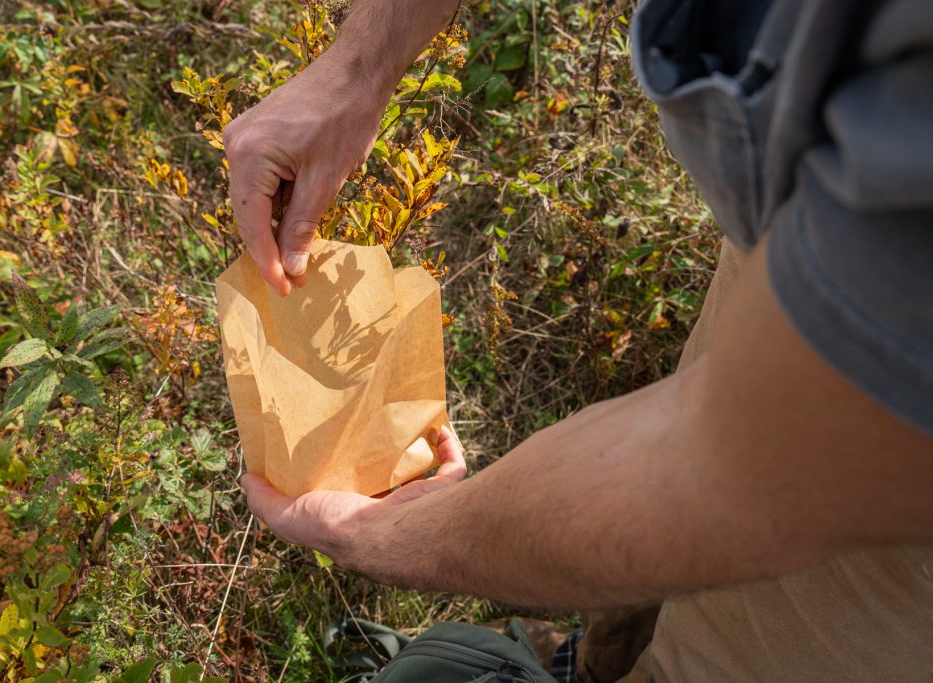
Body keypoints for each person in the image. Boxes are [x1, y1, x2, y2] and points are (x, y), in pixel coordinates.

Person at [224, 0, 933, 680]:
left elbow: (716, 472)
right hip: (801, 230)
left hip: (899, 509)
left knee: (723, 656)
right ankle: (597, 660)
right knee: (639, 598)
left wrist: (391, 536)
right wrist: (357, 70)